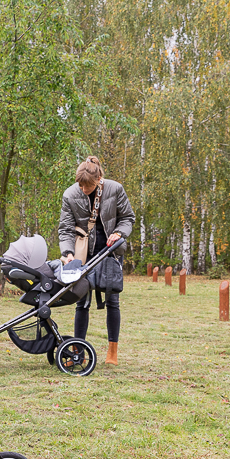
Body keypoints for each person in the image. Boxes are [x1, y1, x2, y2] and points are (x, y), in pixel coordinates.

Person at [59, 156, 135, 365]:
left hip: (110, 252)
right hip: (83, 254)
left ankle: (112, 352)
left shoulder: (115, 189)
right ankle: (77, 354)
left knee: (112, 300)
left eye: (88, 185)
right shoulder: (70, 195)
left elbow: (128, 218)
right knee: (81, 302)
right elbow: (65, 229)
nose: (84, 189)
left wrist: (119, 233)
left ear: (99, 179)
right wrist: (67, 252)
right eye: (80, 185)